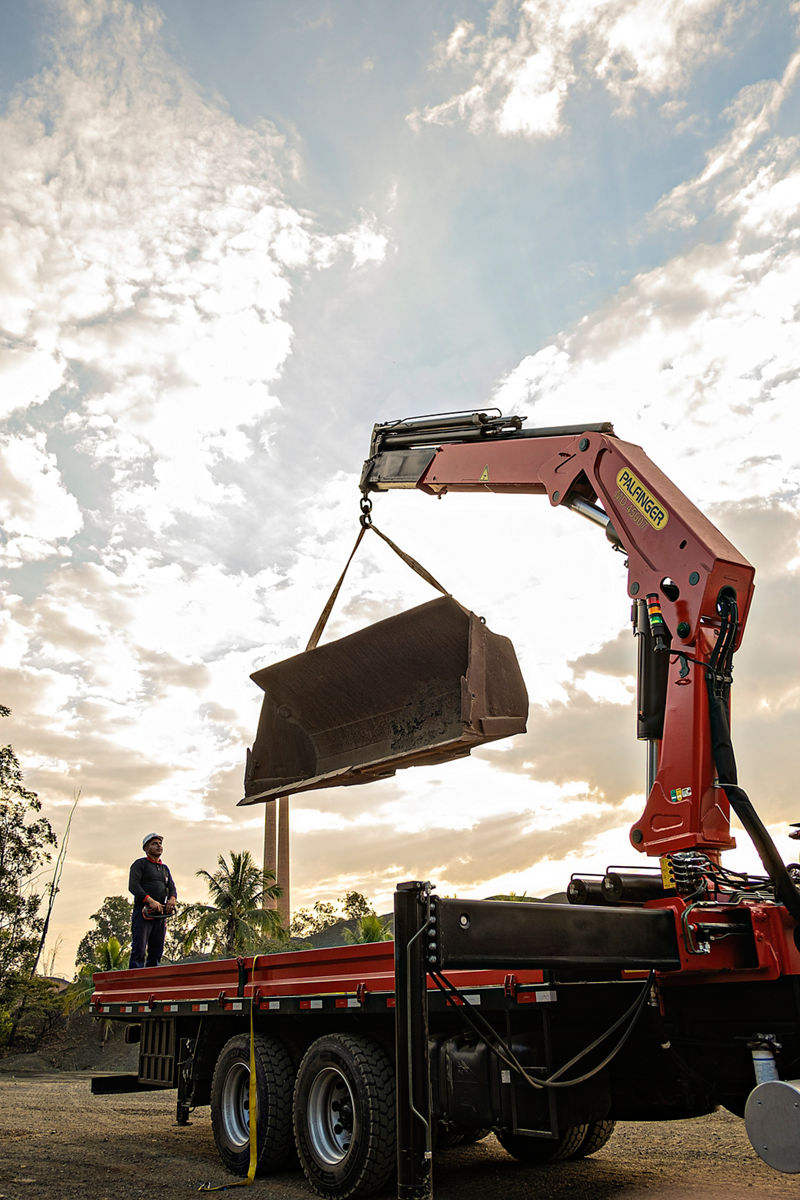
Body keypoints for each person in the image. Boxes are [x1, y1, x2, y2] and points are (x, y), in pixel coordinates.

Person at [128, 833, 177, 969]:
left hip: (160, 915)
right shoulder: (140, 864)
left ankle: (152, 980)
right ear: (146, 848)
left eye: (160, 843)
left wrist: (172, 899)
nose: (158, 846)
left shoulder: (164, 869)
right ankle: (136, 982)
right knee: (139, 949)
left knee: (156, 951)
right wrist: (150, 901)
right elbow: (133, 886)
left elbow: (172, 887)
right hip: (144, 913)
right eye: (154, 844)